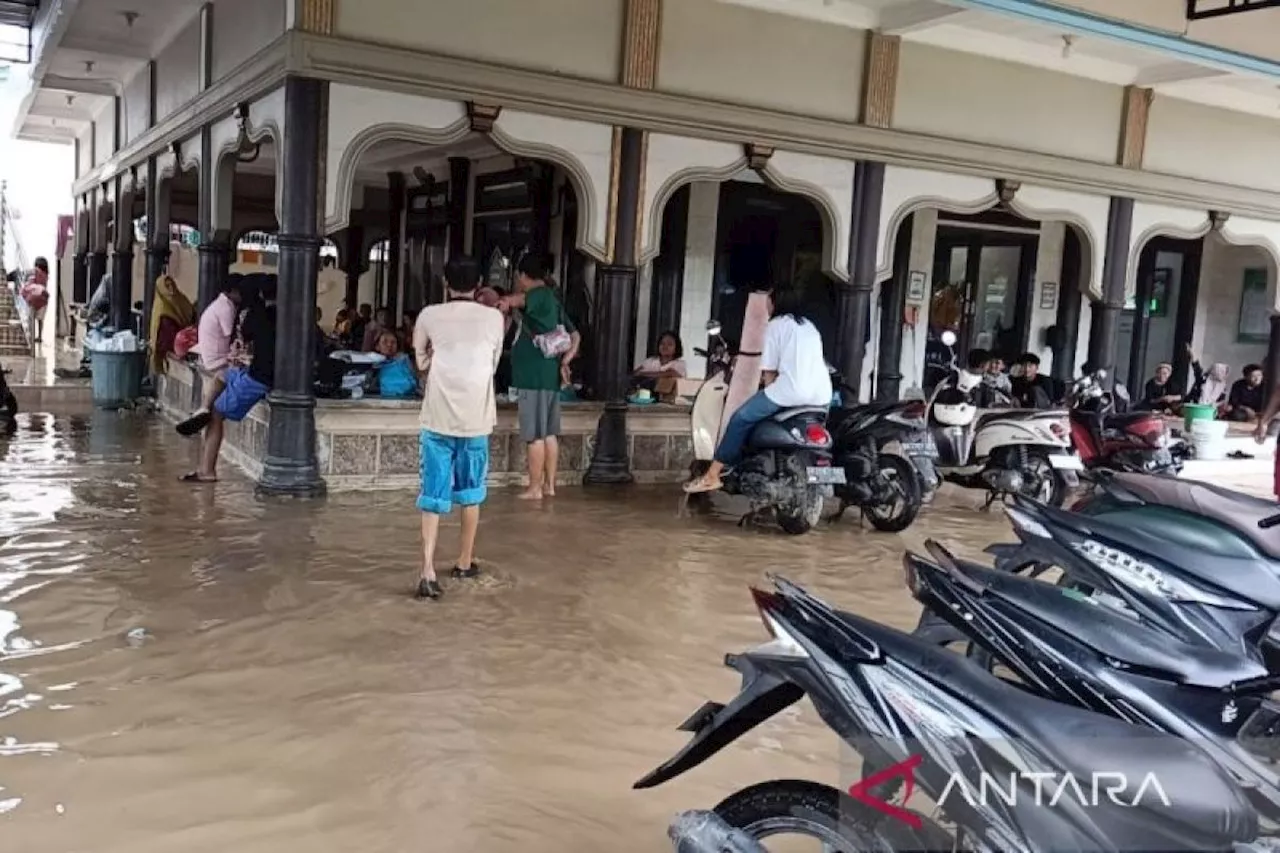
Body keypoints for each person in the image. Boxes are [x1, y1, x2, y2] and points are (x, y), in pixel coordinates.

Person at [410, 256, 504, 600]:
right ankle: (464, 562)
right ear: (478, 282)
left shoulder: (429, 315)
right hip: (476, 418)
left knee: (432, 496)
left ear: (445, 283)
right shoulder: (494, 318)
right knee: (471, 493)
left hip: (437, 417)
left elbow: (421, 361)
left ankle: (427, 571)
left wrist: (438, 356)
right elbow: (492, 363)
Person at [684, 287, 832, 494]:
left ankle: (712, 475)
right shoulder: (809, 326)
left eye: (769, 302)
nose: (767, 306)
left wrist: (766, 391)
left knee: (740, 418)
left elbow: (769, 373)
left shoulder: (775, 326)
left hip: (791, 392)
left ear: (775, 303)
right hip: (821, 394)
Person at [500, 254, 579, 500]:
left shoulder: (539, 294)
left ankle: (534, 488)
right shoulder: (554, 300)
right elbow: (576, 336)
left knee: (534, 435)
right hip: (548, 375)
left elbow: (517, 300)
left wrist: (502, 302)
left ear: (523, 276)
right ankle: (549, 486)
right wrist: (564, 361)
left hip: (533, 377)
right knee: (548, 434)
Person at [182, 276, 276, 483]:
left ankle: (206, 470)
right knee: (223, 375)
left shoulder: (256, 315)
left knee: (217, 414)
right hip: (257, 371)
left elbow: (248, 339)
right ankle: (203, 408)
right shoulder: (277, 314)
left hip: (258, 378)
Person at [176, 276, 244, 437]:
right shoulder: (226, 308)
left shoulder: (218, 305)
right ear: (232, 291)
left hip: (208, 357)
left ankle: (203, 408)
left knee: (221, 382)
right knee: (226, 375)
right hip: (217, 359)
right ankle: (205, 408)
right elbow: (231, 335)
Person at [148, 274, 196, 374]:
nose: (170, 289)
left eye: (171, 285)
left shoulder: (180, 299)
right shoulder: (162, 310)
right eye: (167, 286)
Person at [374, 330, 417, 398]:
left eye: (393, 342)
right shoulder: (373, 364)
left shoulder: (403, 361)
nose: (389, 345)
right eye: (385, 342)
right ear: (377, 346)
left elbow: (411, 383)